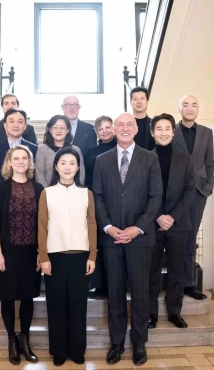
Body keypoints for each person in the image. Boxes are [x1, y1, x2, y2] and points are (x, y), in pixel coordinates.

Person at [92, 113, 163, 366]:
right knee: (115, 292)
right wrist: (108, 227)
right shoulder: (102, 160)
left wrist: (138, 228)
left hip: (140, 239)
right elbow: (97, 196)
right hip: (112, 239)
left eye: (128, 124)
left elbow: (156, 197)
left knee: (141, 292)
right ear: (113, 130)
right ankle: (117, 342)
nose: (124, 128)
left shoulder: (150, 158)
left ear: (136, 129)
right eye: (119, 124)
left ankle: (140, 342)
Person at [38, 147, 97, 366]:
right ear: (56, 167)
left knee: (78, 304)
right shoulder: (47, 193)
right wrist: (43, 256)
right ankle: (59, 350)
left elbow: (92, 224)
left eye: (72, 163)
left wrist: (92, 255)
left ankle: (77, 349)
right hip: (54, 257)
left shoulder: (86, 193)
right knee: (56, 305)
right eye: (63, 163)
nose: (67, 167)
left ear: (78, 167)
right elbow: (42, 226)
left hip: (81, 256)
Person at [0, 145, 43, 366]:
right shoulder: (2, 189)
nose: (21, 162)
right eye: (16, 158)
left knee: (28, 297)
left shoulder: (38, 188)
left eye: (24, 158)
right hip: (8, 252)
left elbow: (44, 224)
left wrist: (41, 252)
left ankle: (25, 341)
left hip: (31, 253)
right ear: (9, 163)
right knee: (9, 297)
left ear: (30, 163)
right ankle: (11, 340)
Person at [147, 114, 196, 330]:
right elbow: (142, 192)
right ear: (152, 132)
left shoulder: (186, 159)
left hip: (178, 224)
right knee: (152, 271)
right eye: (159, 129)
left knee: (177, 270)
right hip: (152, 224)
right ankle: (151, 313)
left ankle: (174, 312)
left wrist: (172, 216)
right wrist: (158, 215)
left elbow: (190, 191)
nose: (163, 132)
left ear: (173, 132)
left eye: (167, 128)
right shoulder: (145, 158)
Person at [171, 95, 214, 301]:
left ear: (198, 109)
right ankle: (174, 283)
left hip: (198, 193)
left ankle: (189, 284)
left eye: (194, 105)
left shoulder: (207, 132)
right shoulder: (171, 131)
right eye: (185, 105)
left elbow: (209, 162)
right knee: (174, 238)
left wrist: (208, 186)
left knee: (190, 238)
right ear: (179, 109)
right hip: (175, 193)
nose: (190, 108)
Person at [84, 115, 117, 298]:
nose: (104, 131)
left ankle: (116, 283)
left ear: (114, 128)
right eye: (100, 128)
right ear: (96, 132)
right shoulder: (91, 152)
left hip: (117, 201)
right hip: (96, 200)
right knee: (97, 241)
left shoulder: (121, 148)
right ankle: (97, 284)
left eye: (107, 127)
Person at [0, 109, 38, 219]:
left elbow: (35, 178)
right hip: (1, 203)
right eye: (11, 121)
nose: (16, 125)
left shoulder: (34, 149)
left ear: (25, 126)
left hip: (27, 204)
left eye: (20, 121)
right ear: (5, 125)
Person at [35, 115, 85, 188]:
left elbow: (81, 173)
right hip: (48, 192)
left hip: (73, 192)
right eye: (55, 127)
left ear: (68, 130)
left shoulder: (76, 149)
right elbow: (39, 175)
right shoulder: (42, 150)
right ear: (50, 129)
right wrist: (47, 192)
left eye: (62, 128)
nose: (58, 131)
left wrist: (76, 190)